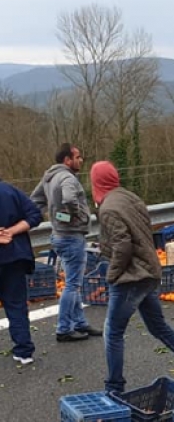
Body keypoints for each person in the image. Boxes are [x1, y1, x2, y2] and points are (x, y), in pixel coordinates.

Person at [90, 161, 174, 395]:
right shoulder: (130, 197)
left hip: (131, 276)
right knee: (158, 326)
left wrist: (113, 274)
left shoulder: (108, 208)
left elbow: (122, 244)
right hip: (149, 270)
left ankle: (114, 388)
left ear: (96, 183)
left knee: (113, 332)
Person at [30, 143, 101, 342]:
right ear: (67, 160)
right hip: (71, 237)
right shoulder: (68, 178)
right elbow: (70, 199)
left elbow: (35, 200)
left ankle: (79, 323)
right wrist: (76, 217)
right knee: (73, 284)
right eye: (77, 157)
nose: (81, 160)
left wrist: (55, 217)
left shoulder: (49, 177)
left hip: (58, 235)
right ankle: (63, 329)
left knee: (72, 281)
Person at [0, 175, 44, 366]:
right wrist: (12, 231)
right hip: (14, 256)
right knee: (16, 304)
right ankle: (24, 351)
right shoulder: (10, 191)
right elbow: (35, 215)